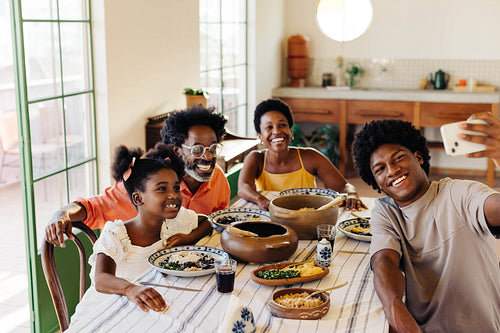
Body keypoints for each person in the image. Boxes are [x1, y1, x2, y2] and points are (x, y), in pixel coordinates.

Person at [351, 116, 500, 333]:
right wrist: (395, 308)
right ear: (376, 182)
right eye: (380, 169)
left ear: (418, 157)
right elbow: (384, 262)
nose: (391, 171)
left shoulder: (458, 193)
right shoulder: (386, 211)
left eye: (398, 158)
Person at [45, 105, 230, 247]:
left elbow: (216, 220)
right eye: (197, 150)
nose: (207, 156)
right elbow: (93, 208)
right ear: (178, 151)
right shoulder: (144, 183)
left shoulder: (218, 178)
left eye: (213, 148)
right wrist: (61, 214)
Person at [70, 144, 212, 324]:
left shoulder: (177, 220)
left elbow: (206, 222)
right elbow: (101, 279)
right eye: (162, 189)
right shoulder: (117, 234)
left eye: (176, 188)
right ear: (138, 198)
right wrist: (130, 289)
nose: (173, 196)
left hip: (142, 310)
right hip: (104, 311)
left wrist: (189, 238)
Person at [238, 98, 365, 211]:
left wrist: (352, 194)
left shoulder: (310, 157)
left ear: (291, 132)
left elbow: (343, 185)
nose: (276, 131)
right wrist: (261, 200)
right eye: (269, 127)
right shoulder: (256, 159)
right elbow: (243, 187)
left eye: (282, 125)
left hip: (307, 219)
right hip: (271, 217)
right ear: (260, 136)